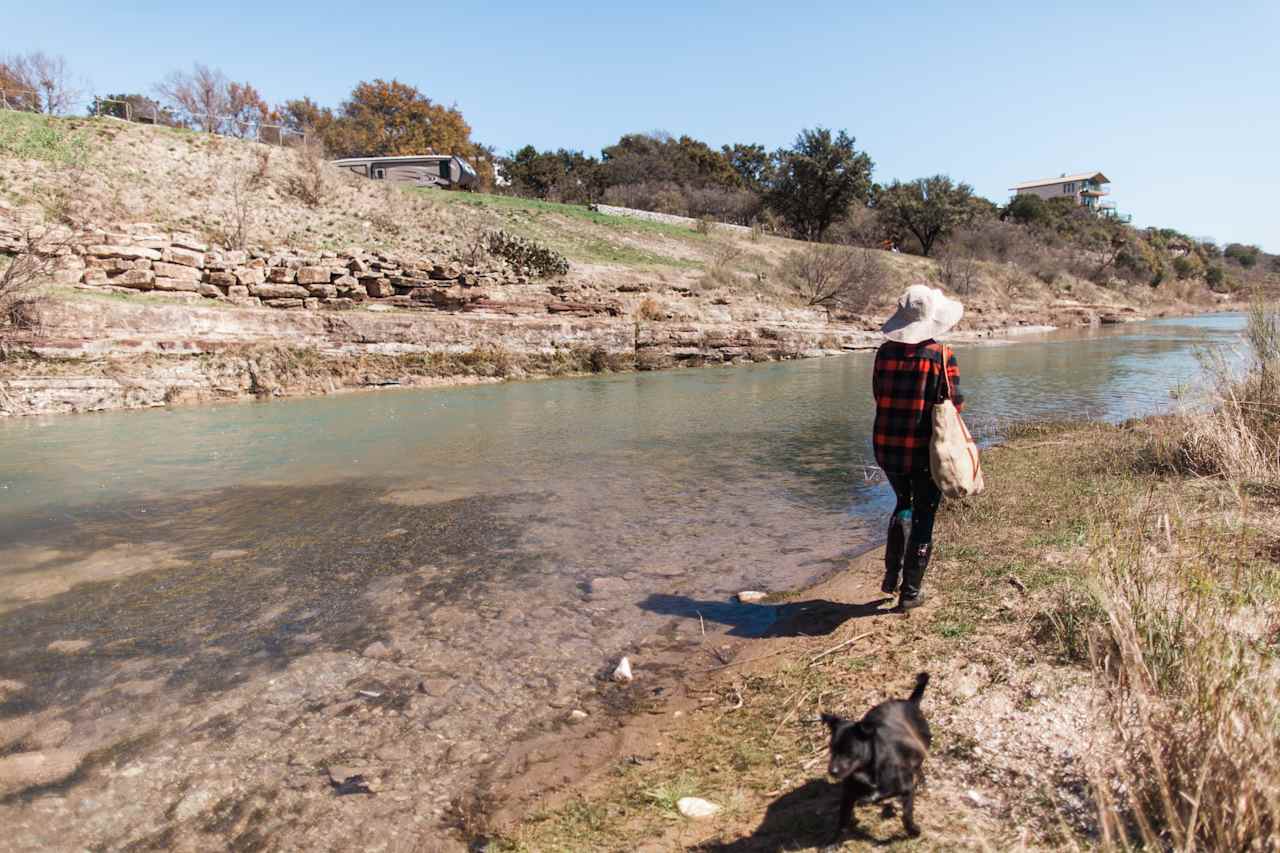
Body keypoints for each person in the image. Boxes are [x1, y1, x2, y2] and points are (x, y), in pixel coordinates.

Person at [871, 284, 965, 610]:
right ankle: (910, 591)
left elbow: (878, 395)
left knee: (902, 503)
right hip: (926, 451)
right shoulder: (941, 355)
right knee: (924, 515)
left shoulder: (883, 353)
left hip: (887, 447)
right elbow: (954, 405)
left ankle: (891, 575)